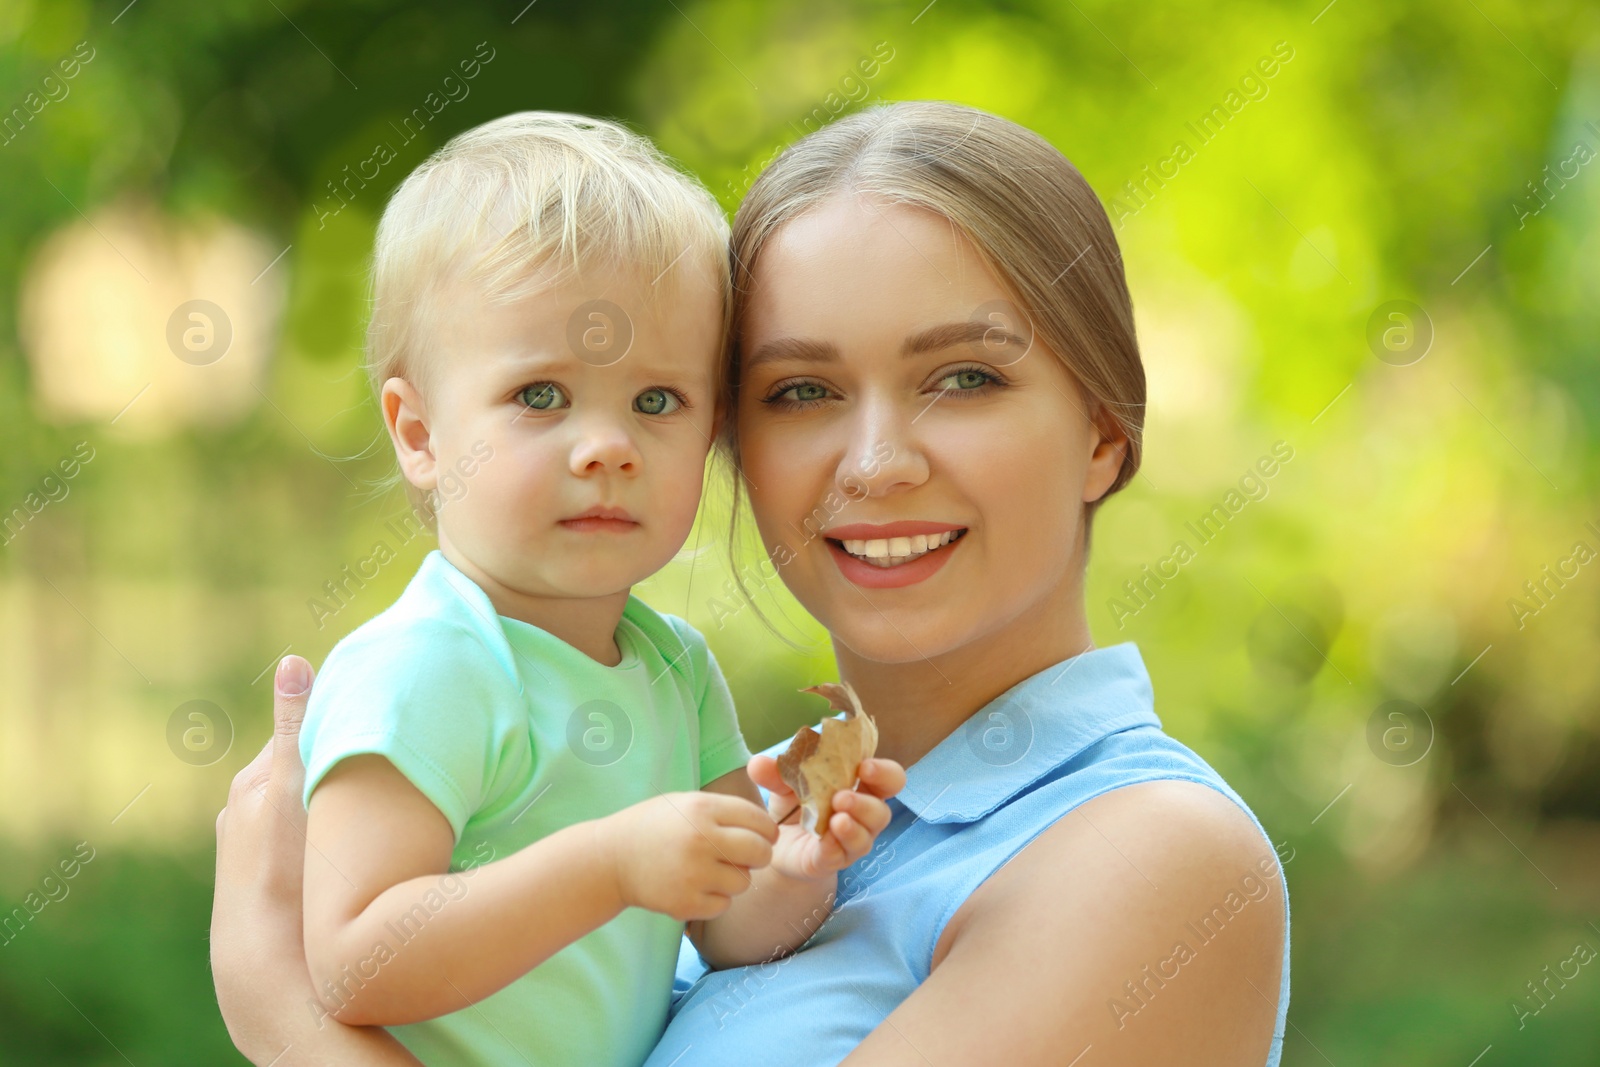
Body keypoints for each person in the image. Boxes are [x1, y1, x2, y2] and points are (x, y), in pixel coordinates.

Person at [213, 100, 1290, 1066]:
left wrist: (287, 1017)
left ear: (1102, 434)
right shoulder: (747, 800)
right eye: (802, 388)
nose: (873, 462)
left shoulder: (1153, 853)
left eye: (964, 377)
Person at [284, 111, 904, 1066]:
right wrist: (611, 866)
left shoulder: (672, 667)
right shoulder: (428, 662)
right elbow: (355, 961)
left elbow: (728, 925)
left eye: (657, 401)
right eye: (541, 395)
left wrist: (795, 865)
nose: (609, 446)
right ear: (420, 434)